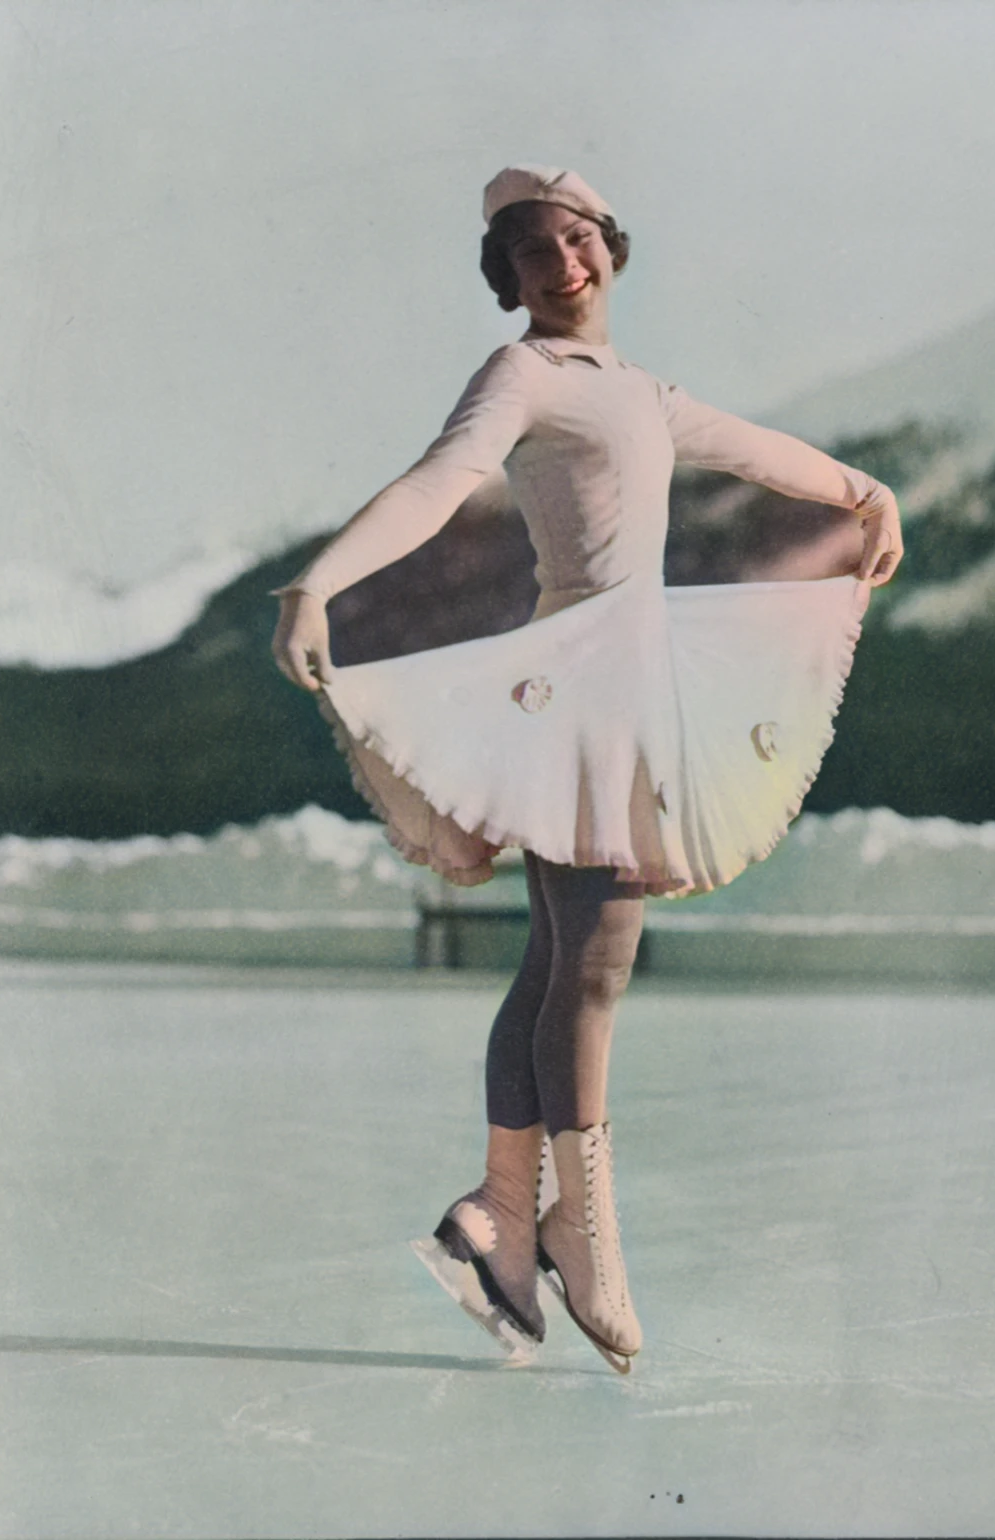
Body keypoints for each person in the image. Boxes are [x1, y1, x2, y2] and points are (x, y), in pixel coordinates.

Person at [271, 164, 904, 1373]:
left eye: (577, 240)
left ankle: (503, 1212)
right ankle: (580, 1231)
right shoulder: (522, 374)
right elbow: (439, 481)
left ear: (610, 246)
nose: (562, 264)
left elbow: (755, 451)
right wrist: (320, 581)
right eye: (532, 251)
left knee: (560, 962)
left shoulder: (639, 391)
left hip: (624, 681)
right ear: (506, 278)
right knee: (595, 967)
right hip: (576, 687)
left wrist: (863, 492)